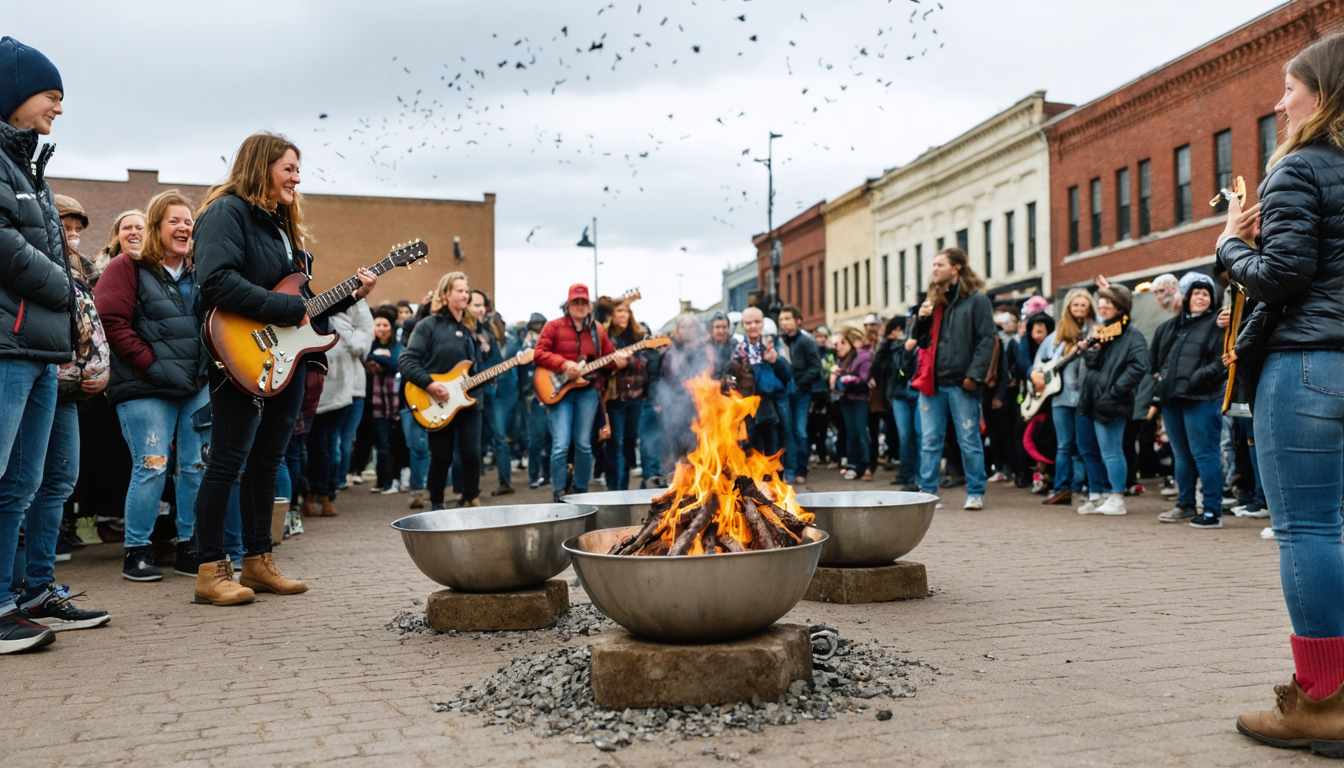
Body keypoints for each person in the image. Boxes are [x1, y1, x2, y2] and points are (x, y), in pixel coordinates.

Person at [1218, 35, 1344, 750]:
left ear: (1323, 94)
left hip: (1309, 366)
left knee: (1310, 529)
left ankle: (1324, 703)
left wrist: (1232, 245)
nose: (1278, 102)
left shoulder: (1300, 166)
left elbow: (1282, 274)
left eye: (1289, 88)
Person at [192, 132, 376, 606]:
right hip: (240, 351)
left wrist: (347, 296)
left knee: (267, 463)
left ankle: (258, 560)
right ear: (261, 167)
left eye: (298, 168)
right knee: (227, 461)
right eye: (289, 168)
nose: (297, 177)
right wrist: (286, 310)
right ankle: (211, 570)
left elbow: (301, 302)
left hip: (288, 357)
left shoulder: (281, 226)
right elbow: (216, 281)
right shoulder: (225, 212)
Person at [0, 36, 80, 654]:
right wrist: (69, 291)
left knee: (22, 485)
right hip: (10, 344)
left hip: (39, 347)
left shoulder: (28, 164)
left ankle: (19, 596)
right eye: (50, 96)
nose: (58, 108)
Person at [95, 189, 210, 581]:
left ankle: (190, 546)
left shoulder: (200, 273)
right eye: (174, 220)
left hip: (196, 386)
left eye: (188, 221)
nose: (184, 227)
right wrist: (150, 365)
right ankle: (137, 551)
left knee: (195, 467)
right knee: (152, 466)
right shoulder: (125, 267)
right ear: (156, 227)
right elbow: (111, 323)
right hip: (145, 387)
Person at [910, 248, 996, 510]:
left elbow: (986, 340)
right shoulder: (932, 300)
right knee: (930, 440)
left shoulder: (977, 301)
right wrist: (921, 320)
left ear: (956, 268)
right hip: (931, 383)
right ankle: (928, 493)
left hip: (962, 383)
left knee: (968, 439)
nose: (934, 269)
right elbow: (920, 342)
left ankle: (976, 492)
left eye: (940, 264)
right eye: (933, 264)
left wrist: (975, 375)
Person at [533, 284, 628, 503]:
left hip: (587, 391)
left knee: (584, 443)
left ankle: (580, 492)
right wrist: (563, 363)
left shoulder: (598, 330)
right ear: (567, 305)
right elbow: (539, 354)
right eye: (575, 302)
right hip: (558, 389)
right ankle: (559, 492)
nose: (579, 306)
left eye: (583, 302)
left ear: (589, 306)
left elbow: (608, 359)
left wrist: (619, 362)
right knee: (561, 443)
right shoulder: (553, 327)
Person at [399, 272, 482, 510]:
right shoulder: (428, 326)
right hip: (437, 400)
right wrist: (430, 384)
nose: (465, 295)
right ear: (445, 294)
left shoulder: (471, 328)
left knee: (471, 454)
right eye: (460, 290)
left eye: (467, 291)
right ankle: (436, 504)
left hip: (468, 400)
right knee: (442, 456)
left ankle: (470, 497)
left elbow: (479, 365)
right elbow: (406, 361)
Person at [1148, 275, 1226, 527]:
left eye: (1206, 293)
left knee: (1205, 454)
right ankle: (1185, 504)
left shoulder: (1219, 324)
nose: (1201, 297)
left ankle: (1212, 511)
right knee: (1181, 456)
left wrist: (1199, 377)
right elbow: (1154, 362)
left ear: (1212, 299)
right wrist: (1159, 382)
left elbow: (1223, 360)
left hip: (1203, 398)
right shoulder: (1169, 327)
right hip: (1172, 399)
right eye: (1196, 293)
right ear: (1187, 298)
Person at [1075, 283, 1148, 517]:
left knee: (1112, 451)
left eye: (1108, 302)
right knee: (1095, 449)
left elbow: (1139, 366)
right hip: (1095, 398)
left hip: (1112, 400)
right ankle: (1105, 495)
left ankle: (1117, 497)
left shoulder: (1132, 335)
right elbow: (1094, 364)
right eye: (1101, 302)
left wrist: (1115, 390)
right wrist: (1089, 350)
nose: (1102, 306)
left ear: (1121, 306)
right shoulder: (1105, 331)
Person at [307, 300, 373, 516]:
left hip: (334, 394)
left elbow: (360, 345)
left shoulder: (340, 325)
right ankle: (321, 493)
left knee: (327, 445)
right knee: (325, 446)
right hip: (323, 392)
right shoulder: (337, 324)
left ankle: (323, 493)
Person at [1032, 290, 1093, 505]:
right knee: (1064, 444)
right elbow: (1038, 364)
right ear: (1068, 307)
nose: (1078, 309)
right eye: (1074, 305)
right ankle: (1062, 487)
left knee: (1084, 444)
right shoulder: (1056, 336)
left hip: (1085, 398)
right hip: (1060, 397)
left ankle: (1084, 485)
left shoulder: (1094, 330)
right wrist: (1036, 375)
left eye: (1082, 305)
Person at [468, 289, 514, 496]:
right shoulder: (457, 329)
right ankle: (469, 489)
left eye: (482, 305)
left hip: (489, 389)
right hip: (465, 392)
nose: (480, 310)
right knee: (471, 440)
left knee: (499, 436)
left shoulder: (487, 332)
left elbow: (497, 362)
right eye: (475, 305)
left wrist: (488, 351)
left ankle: (505, 482)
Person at [731, 307, 793, 458]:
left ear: (762, 323)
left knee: (775, 444)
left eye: (757, 322)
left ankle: (777, 479)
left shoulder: (774, 345)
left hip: (771, 404)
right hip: (749, 406)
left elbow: (788, 375)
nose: (753, 326)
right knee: (753, 446)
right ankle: (757, 480)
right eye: (748, 323)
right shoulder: (738, 349)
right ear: (743, 325)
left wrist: (776, 361)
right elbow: (732, 377)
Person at [603, 301, 649, 491]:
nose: (624, 314)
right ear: (612, 315)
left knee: (630, 441)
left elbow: (647, 361)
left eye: (627, 311)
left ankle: (623, 484)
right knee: (616, 443)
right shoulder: (604, 337)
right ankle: (616, 488)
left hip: (635, 396)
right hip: (613, 398)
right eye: (619, 311)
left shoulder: (638, 337)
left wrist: (628, 359)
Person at [778, 305, 821, 484]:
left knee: (799, 431)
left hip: (801, 393)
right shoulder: (779, 341)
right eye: (781, 320)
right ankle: (790, 470)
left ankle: (801, 469)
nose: (784, 323)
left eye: (788, 319)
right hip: (784, 393)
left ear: (798, 321)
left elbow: (816, 367)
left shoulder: (806, 341)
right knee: (787, 432)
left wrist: (800, 383)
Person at [365, 305, 403, 493]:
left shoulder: (397, 346)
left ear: (391, 327)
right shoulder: (371, 343)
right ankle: (381, 482)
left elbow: (395, 362)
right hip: (377, 403)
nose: (381, 328)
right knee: (381, 444)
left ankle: (394, 480)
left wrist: (374, 358)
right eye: (377, 324)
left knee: (394, 444)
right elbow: (364, 356)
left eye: (385, 325)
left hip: (396, 403)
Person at [830, 328, 873, 481]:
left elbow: (865, 380)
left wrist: (849, 378)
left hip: (859, 399)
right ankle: (853, 465)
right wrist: (836, 377)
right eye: (837, 344)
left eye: (842, 342)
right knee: (850, 433)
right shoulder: (843, 358)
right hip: (846, 399)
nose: (838, 346)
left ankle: (866, 466)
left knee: (861, 432)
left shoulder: (863, 356)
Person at [885, 318, 921, 490]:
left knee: (921, 435)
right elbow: (899, 369)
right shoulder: (895, 346)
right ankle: (905, 474)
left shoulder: (925, 344)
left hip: (920, 393)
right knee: (905, 435)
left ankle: (919, 475)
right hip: (900, 393)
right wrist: (906, 349)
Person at [91, 209, 146, 286]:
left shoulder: (161, 268)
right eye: (126, 228)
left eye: (140, 228)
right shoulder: (98, 270)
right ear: (117, 236)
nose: (133, 232)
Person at [708, 311, 734, 378]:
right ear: (712, 328)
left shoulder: (735, 345)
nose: (721, 331)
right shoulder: (704, 346)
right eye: (717, 327)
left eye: (724, 327)